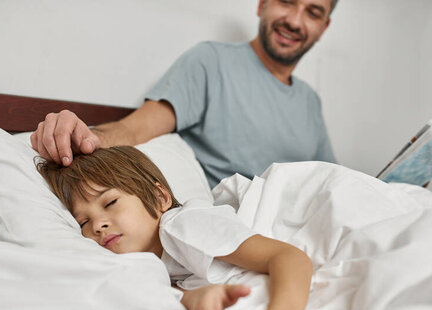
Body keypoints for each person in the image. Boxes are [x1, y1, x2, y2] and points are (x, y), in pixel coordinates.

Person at [37, 146, 317, 310]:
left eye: (110, 202)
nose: (98, 225)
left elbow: (288, 256)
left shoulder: (181, 225)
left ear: (160, 198)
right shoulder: (142, 267)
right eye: (83, 223)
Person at [31, 0, 338, 188]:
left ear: (323, 28)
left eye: (312, 13)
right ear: (262, 4)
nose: (295, 21)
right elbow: (134, 128)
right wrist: (80, 135)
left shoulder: (311, 101)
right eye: (286, 1)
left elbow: (334, 181)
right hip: (237, 230)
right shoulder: (210, 62)